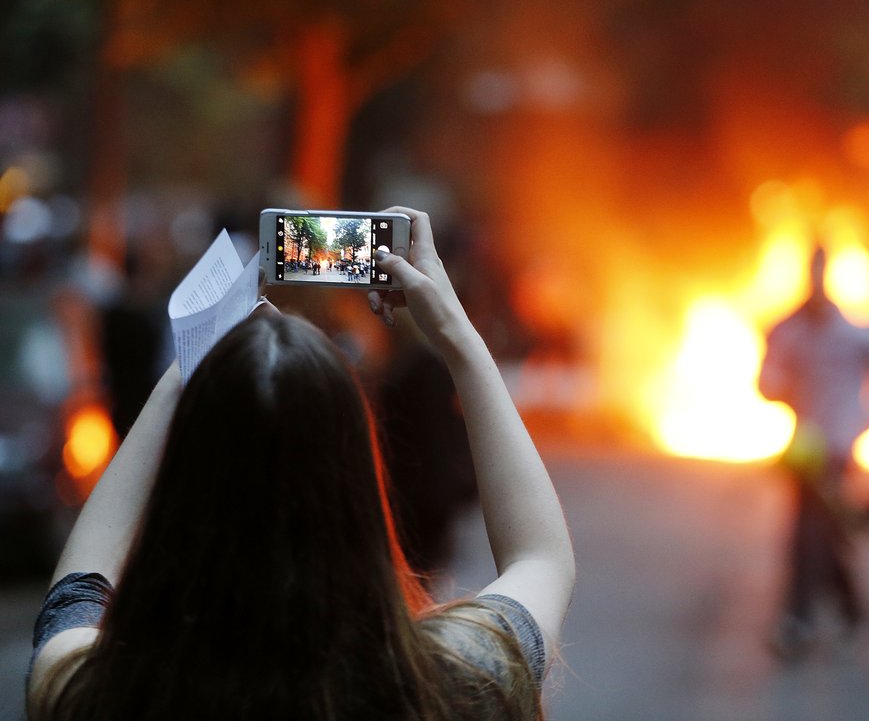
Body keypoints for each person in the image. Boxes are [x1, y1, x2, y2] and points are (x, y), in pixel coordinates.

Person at [26, 207, 575, 720]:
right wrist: (456, 335)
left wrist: (195, 351)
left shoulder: (95, 690)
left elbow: (78, 585)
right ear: (358, 479)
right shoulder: (452, 680)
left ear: (185, 489)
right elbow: (541, 557)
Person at [758, 246, 869, 660]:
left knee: (808, 530)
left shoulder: (854, 331)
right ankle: (850, 607)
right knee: (820, 528)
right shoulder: (791, 331)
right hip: (804, 448)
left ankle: (798, 619)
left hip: (839, 445)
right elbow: (766, 381)